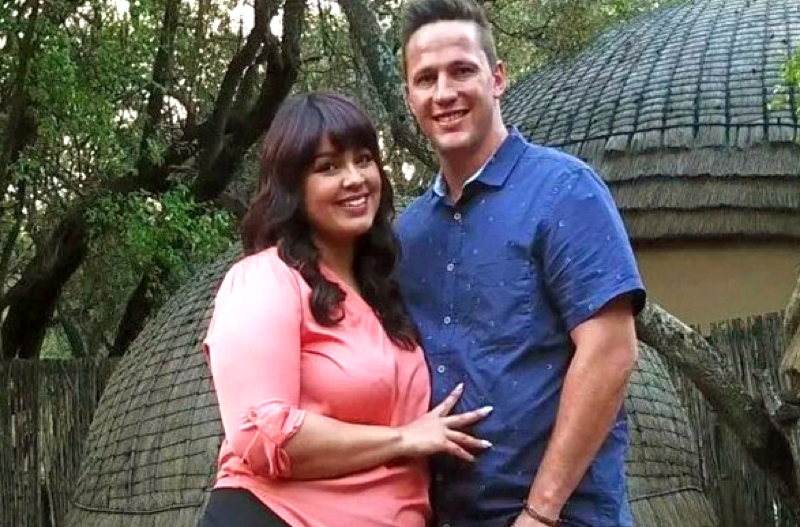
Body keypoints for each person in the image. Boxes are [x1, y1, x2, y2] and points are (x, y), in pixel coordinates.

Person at [395, 1, 647, 526]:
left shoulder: (564, 192)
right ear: (409, 97)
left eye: (462, 70)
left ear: (497, 78)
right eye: (426, 78)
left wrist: (540, 512)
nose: (444, 92)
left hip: (563, 516)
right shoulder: (408, 235)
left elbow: (611, 351)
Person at [197, 92, 492, 527]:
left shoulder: (384, 292)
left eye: (364, 159)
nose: (354, 179)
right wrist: (403, 439)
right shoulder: (264, 279)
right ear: (293, 187)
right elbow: (260, 434)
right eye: (328, 167)